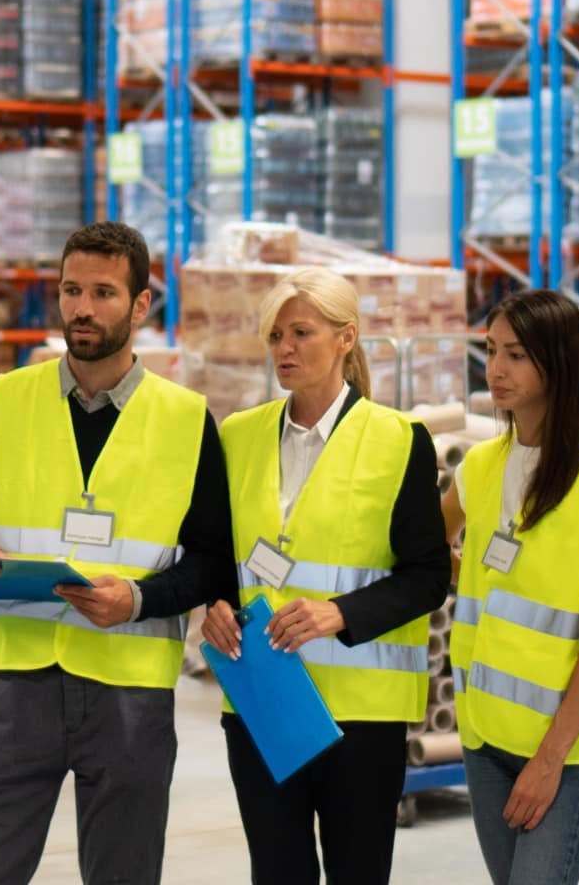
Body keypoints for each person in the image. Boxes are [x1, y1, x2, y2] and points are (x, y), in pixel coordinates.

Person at [0, 222, 235, 885]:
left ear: (141, 305)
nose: (82, 308)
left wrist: (139, 599)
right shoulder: (6, 398)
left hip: (129, 694)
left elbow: (216, 563)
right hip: (14, 687)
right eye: (72, 290)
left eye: (103, 292)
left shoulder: (188, 421)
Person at [202, 268, 451, 885]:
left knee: (357, 873)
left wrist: (338, 614)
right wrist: (212, 602)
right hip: (262, 699)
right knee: (277, 873)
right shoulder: (238, 435)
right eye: (277, 335)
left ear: (347, 338)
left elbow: (427, 576)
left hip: (360, 719)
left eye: (302, 333)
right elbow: (215, 554)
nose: (284, 348)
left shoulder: (399, 440)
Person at [446, 289, 579, 885]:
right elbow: (429, 551)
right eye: (490, 351)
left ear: (557, 363)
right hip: (486, 732)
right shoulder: (480, 466)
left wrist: (550, 758)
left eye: (516, 355)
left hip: (566, 745)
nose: (496, 369)